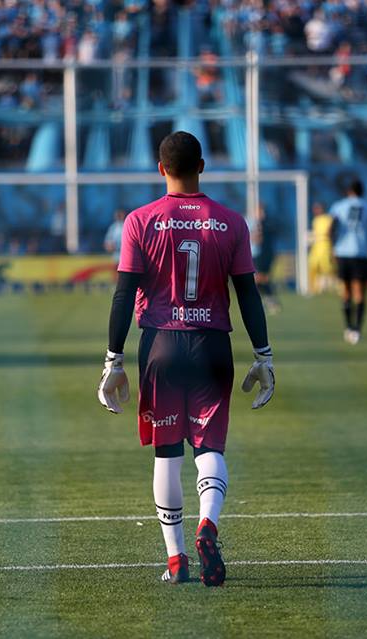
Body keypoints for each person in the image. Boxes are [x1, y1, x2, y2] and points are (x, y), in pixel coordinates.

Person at [97, 131, 274, 587]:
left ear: (161, 168)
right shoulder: (232, 222)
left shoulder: (140, 221)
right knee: (209, 448)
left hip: (160, 344)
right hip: (212, 344)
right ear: (202, 166)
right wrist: (263, 354)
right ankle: (207, 525)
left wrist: (114, 360)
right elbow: (248, 294)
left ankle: (176, 560)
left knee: (167, 453)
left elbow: (123, 294)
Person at [329, 180, 367, 344]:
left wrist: (332, 246)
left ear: (348, 191)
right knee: (359, 293)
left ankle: (348, 327)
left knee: (346, 292)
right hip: (361, 252)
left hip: (343, 252)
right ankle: (357, 329)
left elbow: (331, 229)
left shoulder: (338, 206)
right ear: (362, 191)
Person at [249, 203, 281, 314]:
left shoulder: (267, 224)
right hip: (255, 255)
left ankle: (270, 300)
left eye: (261, 211)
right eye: (258, 211)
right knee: (259, 279)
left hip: (264, 255)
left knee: (261, 278)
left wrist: (255, 235)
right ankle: (269, 299)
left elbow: (260, 239)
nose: (260, 213)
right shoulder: (252, 222)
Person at [307, 202, 334, 295]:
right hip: (316, 246)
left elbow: (331, 232)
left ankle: (335, 287)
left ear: (322, 209)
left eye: (317, 208)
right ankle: (313, 290)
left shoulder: (328, 219)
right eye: (314, 208)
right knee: (312, 266)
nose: (315, 210)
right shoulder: (315, 220)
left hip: (325, 245)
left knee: (327, 268)